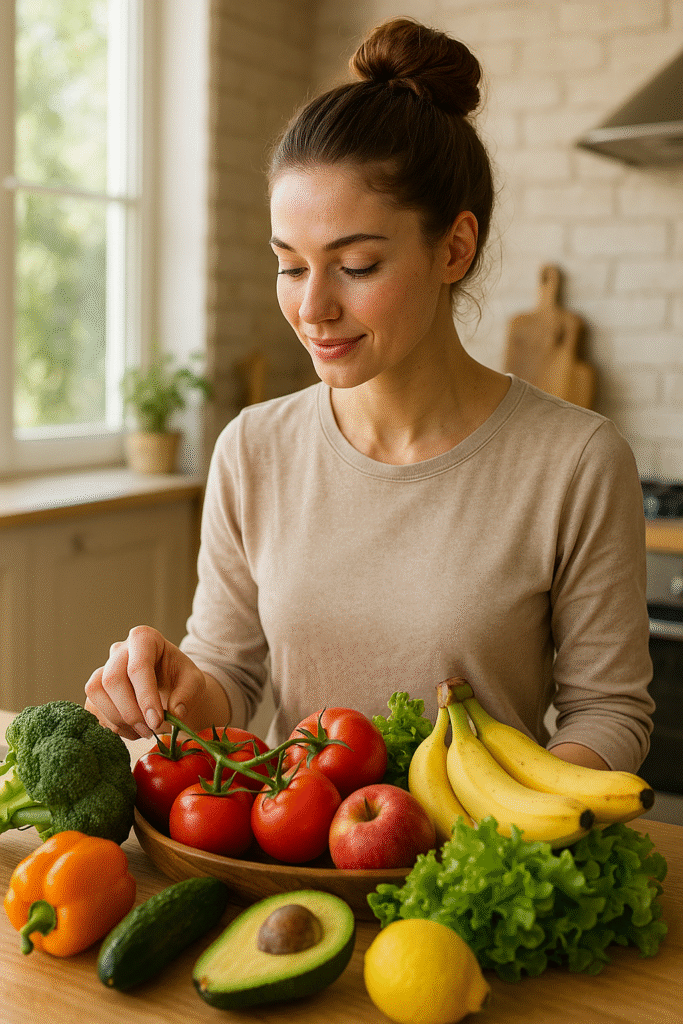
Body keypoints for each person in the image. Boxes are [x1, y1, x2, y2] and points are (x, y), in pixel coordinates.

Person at [85, 17, 653, 774]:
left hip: (477, 845)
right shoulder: (252, 448)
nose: (312, 307)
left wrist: (525, 816)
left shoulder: (575, 461)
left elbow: (609, 711)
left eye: (355, 266)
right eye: (291, 266)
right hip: (293, 839)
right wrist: (176, 690)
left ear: (454, 248)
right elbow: (230, 674)